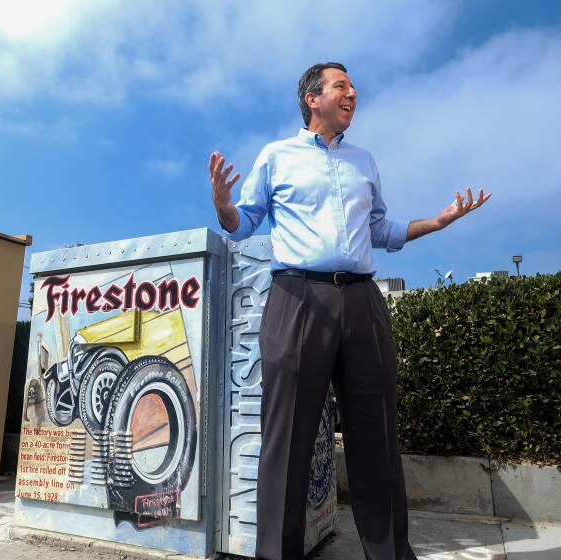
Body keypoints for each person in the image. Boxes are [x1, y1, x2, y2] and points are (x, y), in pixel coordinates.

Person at [208, 62, 490, 560]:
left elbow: (381, 229)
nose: (353, 93)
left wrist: (439, 221)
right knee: (288, 439)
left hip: (363, 300)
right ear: (312, 99)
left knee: (377, 437)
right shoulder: (277, 156)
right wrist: (223, 204)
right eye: (342, 86)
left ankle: (389, 554)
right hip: (297, 299)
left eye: (353, 86)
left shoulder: (365, 161)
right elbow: (243, 223)